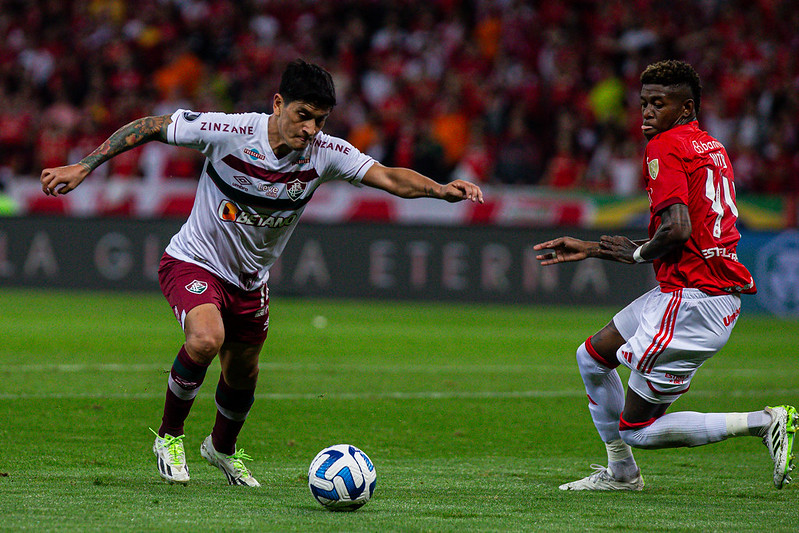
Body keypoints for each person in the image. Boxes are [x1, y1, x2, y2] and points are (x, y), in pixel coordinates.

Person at [40, 59, 484, 486]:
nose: (310, 129)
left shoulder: (325, 153)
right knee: (205, 339)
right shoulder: (229, 131)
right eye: (303, 115)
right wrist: (85, 165)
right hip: (194, 260)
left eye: (321, 120)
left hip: (251, 281)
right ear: (277, 104)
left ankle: (221, 448)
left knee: (243, 373)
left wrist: (440, 189)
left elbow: (388, 177)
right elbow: (151, 125)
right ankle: (168, 438)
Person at [534, 60, 796, 491]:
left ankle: (765, 421)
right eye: (643, 104)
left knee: (635, 428)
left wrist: (636, 254)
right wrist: (593, 248)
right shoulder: (712, 146)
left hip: (693, 302)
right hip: (691, 291)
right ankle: (620, 473)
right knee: (591, 357)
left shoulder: (665, 147)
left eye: (660, 103)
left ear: (686, 108)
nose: (648, 113)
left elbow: (677, 229)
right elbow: (682, 230)